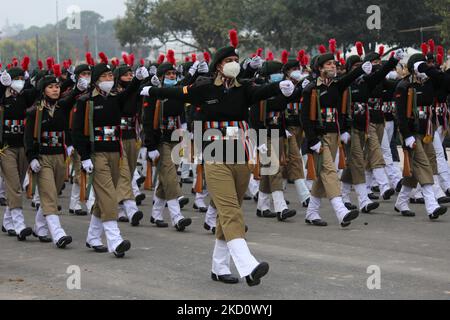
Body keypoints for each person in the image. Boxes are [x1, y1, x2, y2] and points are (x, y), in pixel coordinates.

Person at [141, 30, 296, 286]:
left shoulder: (244, 88)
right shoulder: (203, 88)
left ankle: (219, 266)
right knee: (230, 210)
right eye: (228, 60)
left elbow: (261, 91)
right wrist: (152, 91)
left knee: (230, 208)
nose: (234, 63)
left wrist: (281, 86)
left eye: (236, 59)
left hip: (240, 152)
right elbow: (179, 93)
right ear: (218, 67)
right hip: (213, 152)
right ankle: (248, 265)